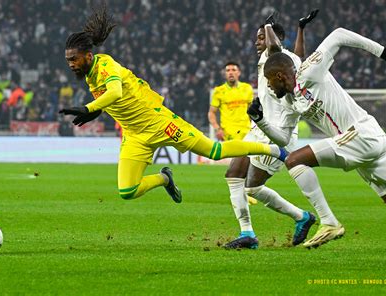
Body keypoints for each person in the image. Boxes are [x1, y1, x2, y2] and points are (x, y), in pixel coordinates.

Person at [59, 5, 288, 204]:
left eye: (73, 59)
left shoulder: (105, 65)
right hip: (135, 135)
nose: (70, 63)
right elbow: (116, 99)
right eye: (68, 59)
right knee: (127, 191)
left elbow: (116, 92)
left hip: (160, 123)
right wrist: (96, 110)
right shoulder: (90, 76)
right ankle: (165, 178)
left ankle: (274, 150)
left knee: (215, 151)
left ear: (88, 56)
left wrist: (89, 107)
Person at [249, 27, 386, 248]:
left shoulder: (309, 71)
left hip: (362, 134)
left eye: (269, 80)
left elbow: (339, 34)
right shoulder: (289, 102)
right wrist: (261, 121)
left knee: (294, 161)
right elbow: (283, 139)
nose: (267, 86)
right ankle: (329, 222)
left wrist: (382, 51)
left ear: (279, 76)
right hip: (360, 144)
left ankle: (328, 222)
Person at [223, 11, 319, 250]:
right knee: (233, 174)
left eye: (260, 38)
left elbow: (277, 49)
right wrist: (301, 29)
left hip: (276, 133)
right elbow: (299, 55)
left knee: (252, 187)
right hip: (257, 128)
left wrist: (268, 26)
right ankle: (247, 234)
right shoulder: (289, 60)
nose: (257, 42)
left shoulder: (274, 56)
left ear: (272, 39)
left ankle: (301, 216)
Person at [208, 62, 253, 142]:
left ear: (239, 73)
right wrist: (217, 129)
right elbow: (211, 113)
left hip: (247, 133)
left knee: (247, 154)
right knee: (234, 155)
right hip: (228, 135)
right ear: (224, 74)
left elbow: (252, 111)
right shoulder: (219, 91)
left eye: (233, 70)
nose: (231, 72)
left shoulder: (247, 88)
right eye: (228, 70)